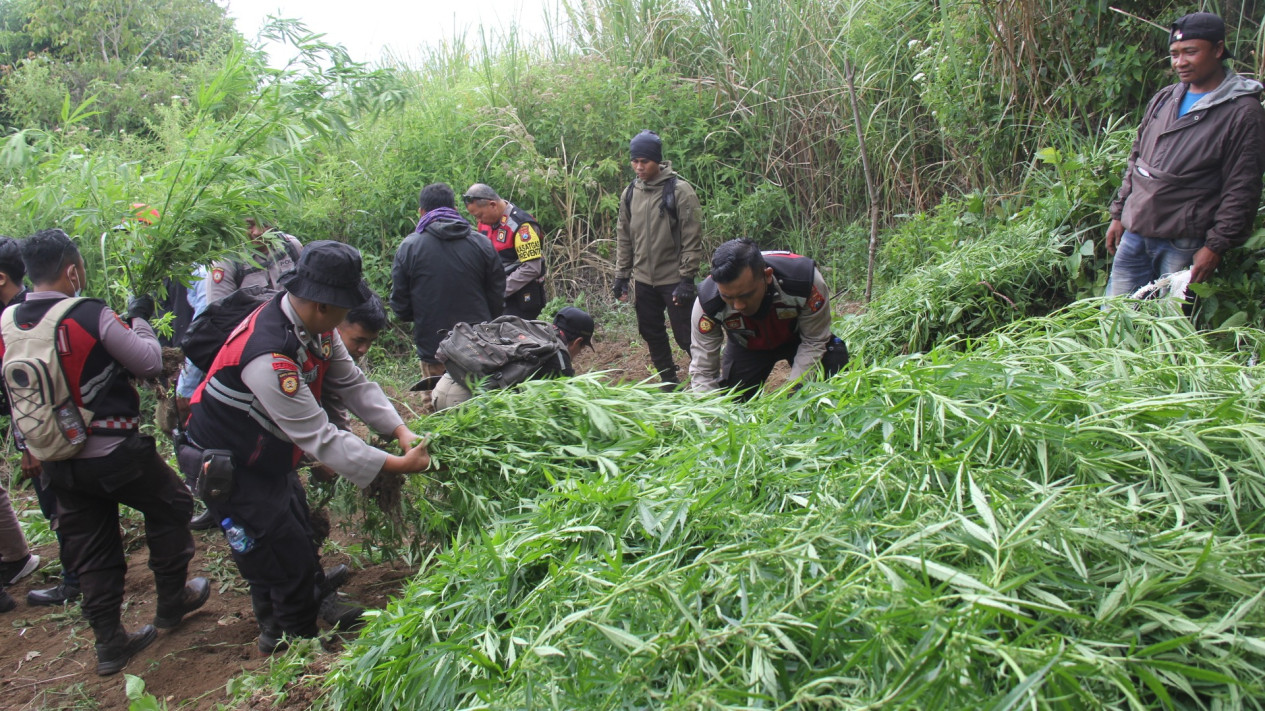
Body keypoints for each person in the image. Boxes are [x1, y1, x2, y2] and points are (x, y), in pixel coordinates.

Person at [184, 241, 431, 654]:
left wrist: (398, 428)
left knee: (295, 531)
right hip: (230, 464)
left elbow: (351, 383)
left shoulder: (315, 327)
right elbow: (321, 437)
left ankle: (286, 623)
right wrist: (398, 465)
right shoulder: (269, 357)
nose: (345, 317)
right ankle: (295, 644)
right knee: (281, 555)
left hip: (266, 453)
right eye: (344, 308)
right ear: (322, 305)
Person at [0, 229, 208, 675]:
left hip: (55, 458)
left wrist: (26, 447)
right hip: (113, 454)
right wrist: (139, 318)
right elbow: (150, 361)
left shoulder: (8, 323)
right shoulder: (87, 314)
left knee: (91, 548)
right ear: (72, 270)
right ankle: (173, 600)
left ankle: (110, 644)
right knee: (172, 503)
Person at [1105, 12, 1265, 296]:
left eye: (1190, 52)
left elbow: (1242, 186)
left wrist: (1215, 245)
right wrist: (1119, 213)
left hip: (1184, 239)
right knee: (1115, 318)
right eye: (1174, 54)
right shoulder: (1166, 97)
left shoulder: (1243, 112)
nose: (1180, 62)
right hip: (1136, 229)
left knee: (1168, 329)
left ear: (1218, 50)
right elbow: (1138, 157)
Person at [689, 239, 845, 399]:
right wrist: (710, 418)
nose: (738, 305)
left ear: (767, 276)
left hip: (799, 338)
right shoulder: (707, 303)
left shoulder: (804, 282)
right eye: (727, 297)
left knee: (830, 372)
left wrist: (797, 392)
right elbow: (703, 371)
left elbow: (814, 340)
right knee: (731, 399)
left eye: (745, 295)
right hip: (747, 346)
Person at [613, 130, 703, 386]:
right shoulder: (630, 192)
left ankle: (706, 379)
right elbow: (624, 236)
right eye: (635, 161)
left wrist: (687, 278)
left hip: (673, 278)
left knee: (687, 335)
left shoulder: (680, 191)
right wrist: (622, 274)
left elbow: (692, 237)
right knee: (651, 332)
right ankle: (669, 381)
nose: (639, 167)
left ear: (657, 160)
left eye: (645, 161)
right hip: (643, 279)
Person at [390, 183, 504, 379]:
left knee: (438, 404)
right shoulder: (481, 243)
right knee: (481, 399)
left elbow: (400, 305)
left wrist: (422, 317)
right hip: (479, 345)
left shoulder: (409, 247)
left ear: (421, 212)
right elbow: (497, 294)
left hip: (434, 346)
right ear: (455, 210)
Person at [431, 306, 595, 411]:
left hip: (443, 386)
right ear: (578, 342)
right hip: (465, 402)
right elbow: (567, 407)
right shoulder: (558, 356)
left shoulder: (532, 328)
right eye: (581, 349)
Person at [0, 237, 40, 613]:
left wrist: (27, 444)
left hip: (40, 431)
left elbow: (22, 391)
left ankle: (79, 578)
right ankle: (15, 557)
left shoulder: (17, 319)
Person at [462, 183, 547, 319]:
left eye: (479, 215)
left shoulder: (522, 226)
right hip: (497, 297)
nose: (478, 220)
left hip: (521, 298)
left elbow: (532, 268)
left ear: (492, 205)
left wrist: (498, 290)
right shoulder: (485, 224)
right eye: (475, 217)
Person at [204, 217, 303, 304]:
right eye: (249, 225)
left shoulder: (290, 246)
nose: (258, 232)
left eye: (264, 224)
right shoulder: (226, 261)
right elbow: (218, 313)